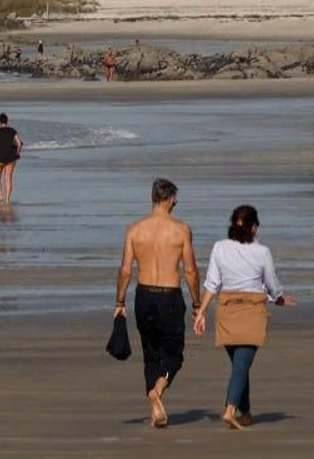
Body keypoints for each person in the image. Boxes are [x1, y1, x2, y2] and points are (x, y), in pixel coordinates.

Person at [194, 205, 291, 430]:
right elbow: (271, 282)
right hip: (251, 310)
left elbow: (212, 283)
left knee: (240, 363)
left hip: (226, 309)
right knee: (242, 363)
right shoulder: (262, 252)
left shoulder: (219, 247)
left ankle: (244, 413)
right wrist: (279, 298)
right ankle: (230, 409)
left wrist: (201, 312)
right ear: (254, 227)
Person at [115, 178, 199, 428]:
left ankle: (155, 409)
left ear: (152, 198)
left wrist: (119, 301)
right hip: (170, 296)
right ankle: (157, 390)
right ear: (171, 198)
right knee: (174, 353)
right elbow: (191, 271)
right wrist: (196, 303)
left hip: (144, 295)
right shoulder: (181, 229)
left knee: (150, 353)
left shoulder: (134, 229)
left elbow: (125, 271)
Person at [0, 112, 23, 206]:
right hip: (11, 158)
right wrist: (17, 153)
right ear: (7, 121)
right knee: (8, 179)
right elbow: (19, 143)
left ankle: (0, 197)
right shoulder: (12, 131)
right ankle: (7, 199)